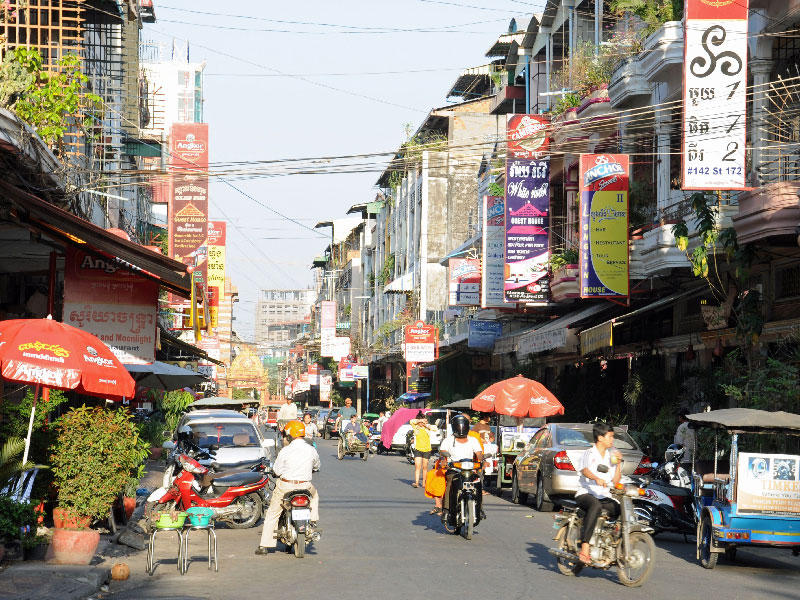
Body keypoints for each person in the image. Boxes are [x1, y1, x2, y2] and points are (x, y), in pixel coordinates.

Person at [256, 420, 320, 555]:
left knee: (273, 512)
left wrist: (274, 471)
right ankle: (313, 520)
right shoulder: (311, 449)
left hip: (285, 486)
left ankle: (264, 545)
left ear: (289, 435)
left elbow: (277, 471)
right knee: (315, 496)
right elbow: (317, 466)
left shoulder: (285, 450)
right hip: (305, 486)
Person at [575, 422, 622, 565]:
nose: (612, 440)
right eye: (610, 437)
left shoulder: (611, 457)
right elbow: (585, 470)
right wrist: (596, 478)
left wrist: (619, 463)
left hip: (603, 495)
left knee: (620, 509)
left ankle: (610, 542)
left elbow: (615, 480)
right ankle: (585, 546)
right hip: (586, 493)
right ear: (600, 438)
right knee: (595, 506)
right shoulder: (589, 453)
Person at [438, 413, 484, 525]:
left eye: (463, 425)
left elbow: (479, 453)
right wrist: (445, 458)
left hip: (469, 469)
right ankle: (446, 510)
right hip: (454, 469)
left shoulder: (473, 440)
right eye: (459, 426)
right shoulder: (448, 440)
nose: (461, 428)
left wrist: (481, 460)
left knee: (478, 484)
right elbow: (442, 451)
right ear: (455, 427)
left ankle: (479, 509)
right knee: (450, 482)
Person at [410, 411, 436, 488]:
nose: (422, 423)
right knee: (417, 466)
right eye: (420, 421)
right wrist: (420, 421)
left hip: (427, 450)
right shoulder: (416, 427)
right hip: (418, 449)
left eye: (424, 420)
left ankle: (424, 483)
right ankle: (417, 483)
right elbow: (411, 421)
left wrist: (426, 425)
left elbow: (435, 428)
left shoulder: (427, 428)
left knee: (425, 467)